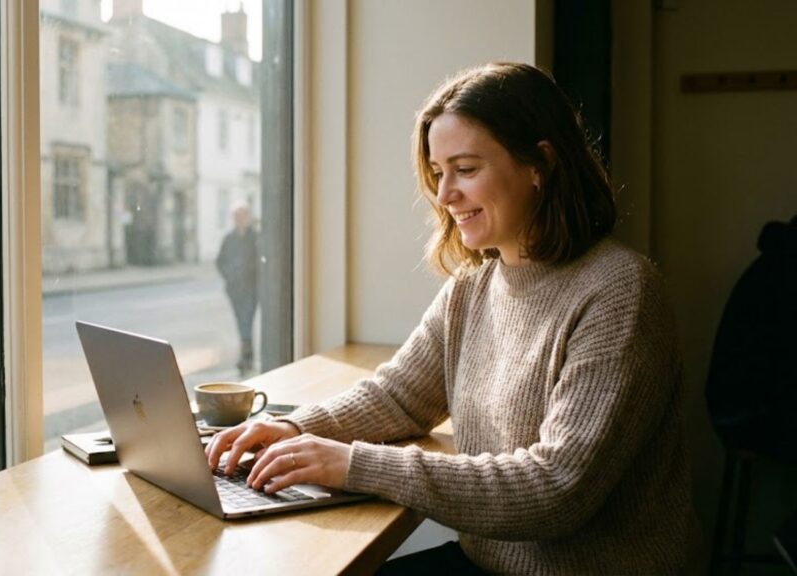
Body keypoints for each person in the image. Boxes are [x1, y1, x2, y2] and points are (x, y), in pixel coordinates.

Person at [205, 63, 699, 574]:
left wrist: (353, 465)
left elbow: (555, 488)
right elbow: (398, 397)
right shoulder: (473, 286)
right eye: (439, 173)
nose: (444, 196)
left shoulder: (620, 292)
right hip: (487, 565)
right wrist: (291, 428)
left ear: (541, 164)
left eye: (465, 169)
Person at [215, 201, 260, 374]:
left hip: (251, 289)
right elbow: (220, 261)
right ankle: (247, 357)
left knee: (246, 322)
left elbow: (262, 260)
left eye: (242, 216)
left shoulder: (255, 237)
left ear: (248, 217)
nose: (239, 219)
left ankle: (246, 358)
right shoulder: (229, 238)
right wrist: (230, 277)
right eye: (236, 216)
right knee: (242, 323)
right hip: (235, 290)